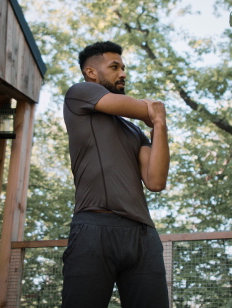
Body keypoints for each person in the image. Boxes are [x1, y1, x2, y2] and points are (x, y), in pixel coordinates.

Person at [61, 41, 170, 308]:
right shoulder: (79, 93)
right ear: (91, 72)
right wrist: (153, 111)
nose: (123, 73)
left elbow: (155, 181)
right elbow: (144, 109)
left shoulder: (135, 132)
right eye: (114, 67)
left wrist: (160, 125)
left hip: (143, 236)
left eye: (123, 68)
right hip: (94, 230)